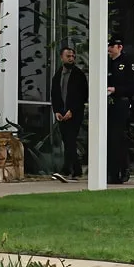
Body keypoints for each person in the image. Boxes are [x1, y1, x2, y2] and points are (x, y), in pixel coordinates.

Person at [49, 45, 87, 182]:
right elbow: (54, 94)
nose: (71, 59)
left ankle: (68, 170)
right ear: (61, 57)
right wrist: (57, 111)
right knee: (67, 141)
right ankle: (74, 170)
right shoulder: (57, 75)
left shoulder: (78, 75)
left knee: (70, 139)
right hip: (62, 113)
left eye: (73, 56)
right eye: (68, 56)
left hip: (75, 114)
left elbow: (83, 95)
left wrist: (72, 110)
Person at [105, 36, 134, 184]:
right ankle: (111, 173)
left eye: (112, 47)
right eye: (109, 46)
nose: (109, 49)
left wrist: (116, 89)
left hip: (122, 103)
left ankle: (123, 169)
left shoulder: (127, 62)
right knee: (110, 138)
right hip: (108, 104)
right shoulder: (107, 63)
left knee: (118, 138)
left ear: (119, 47)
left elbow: (132, 86)